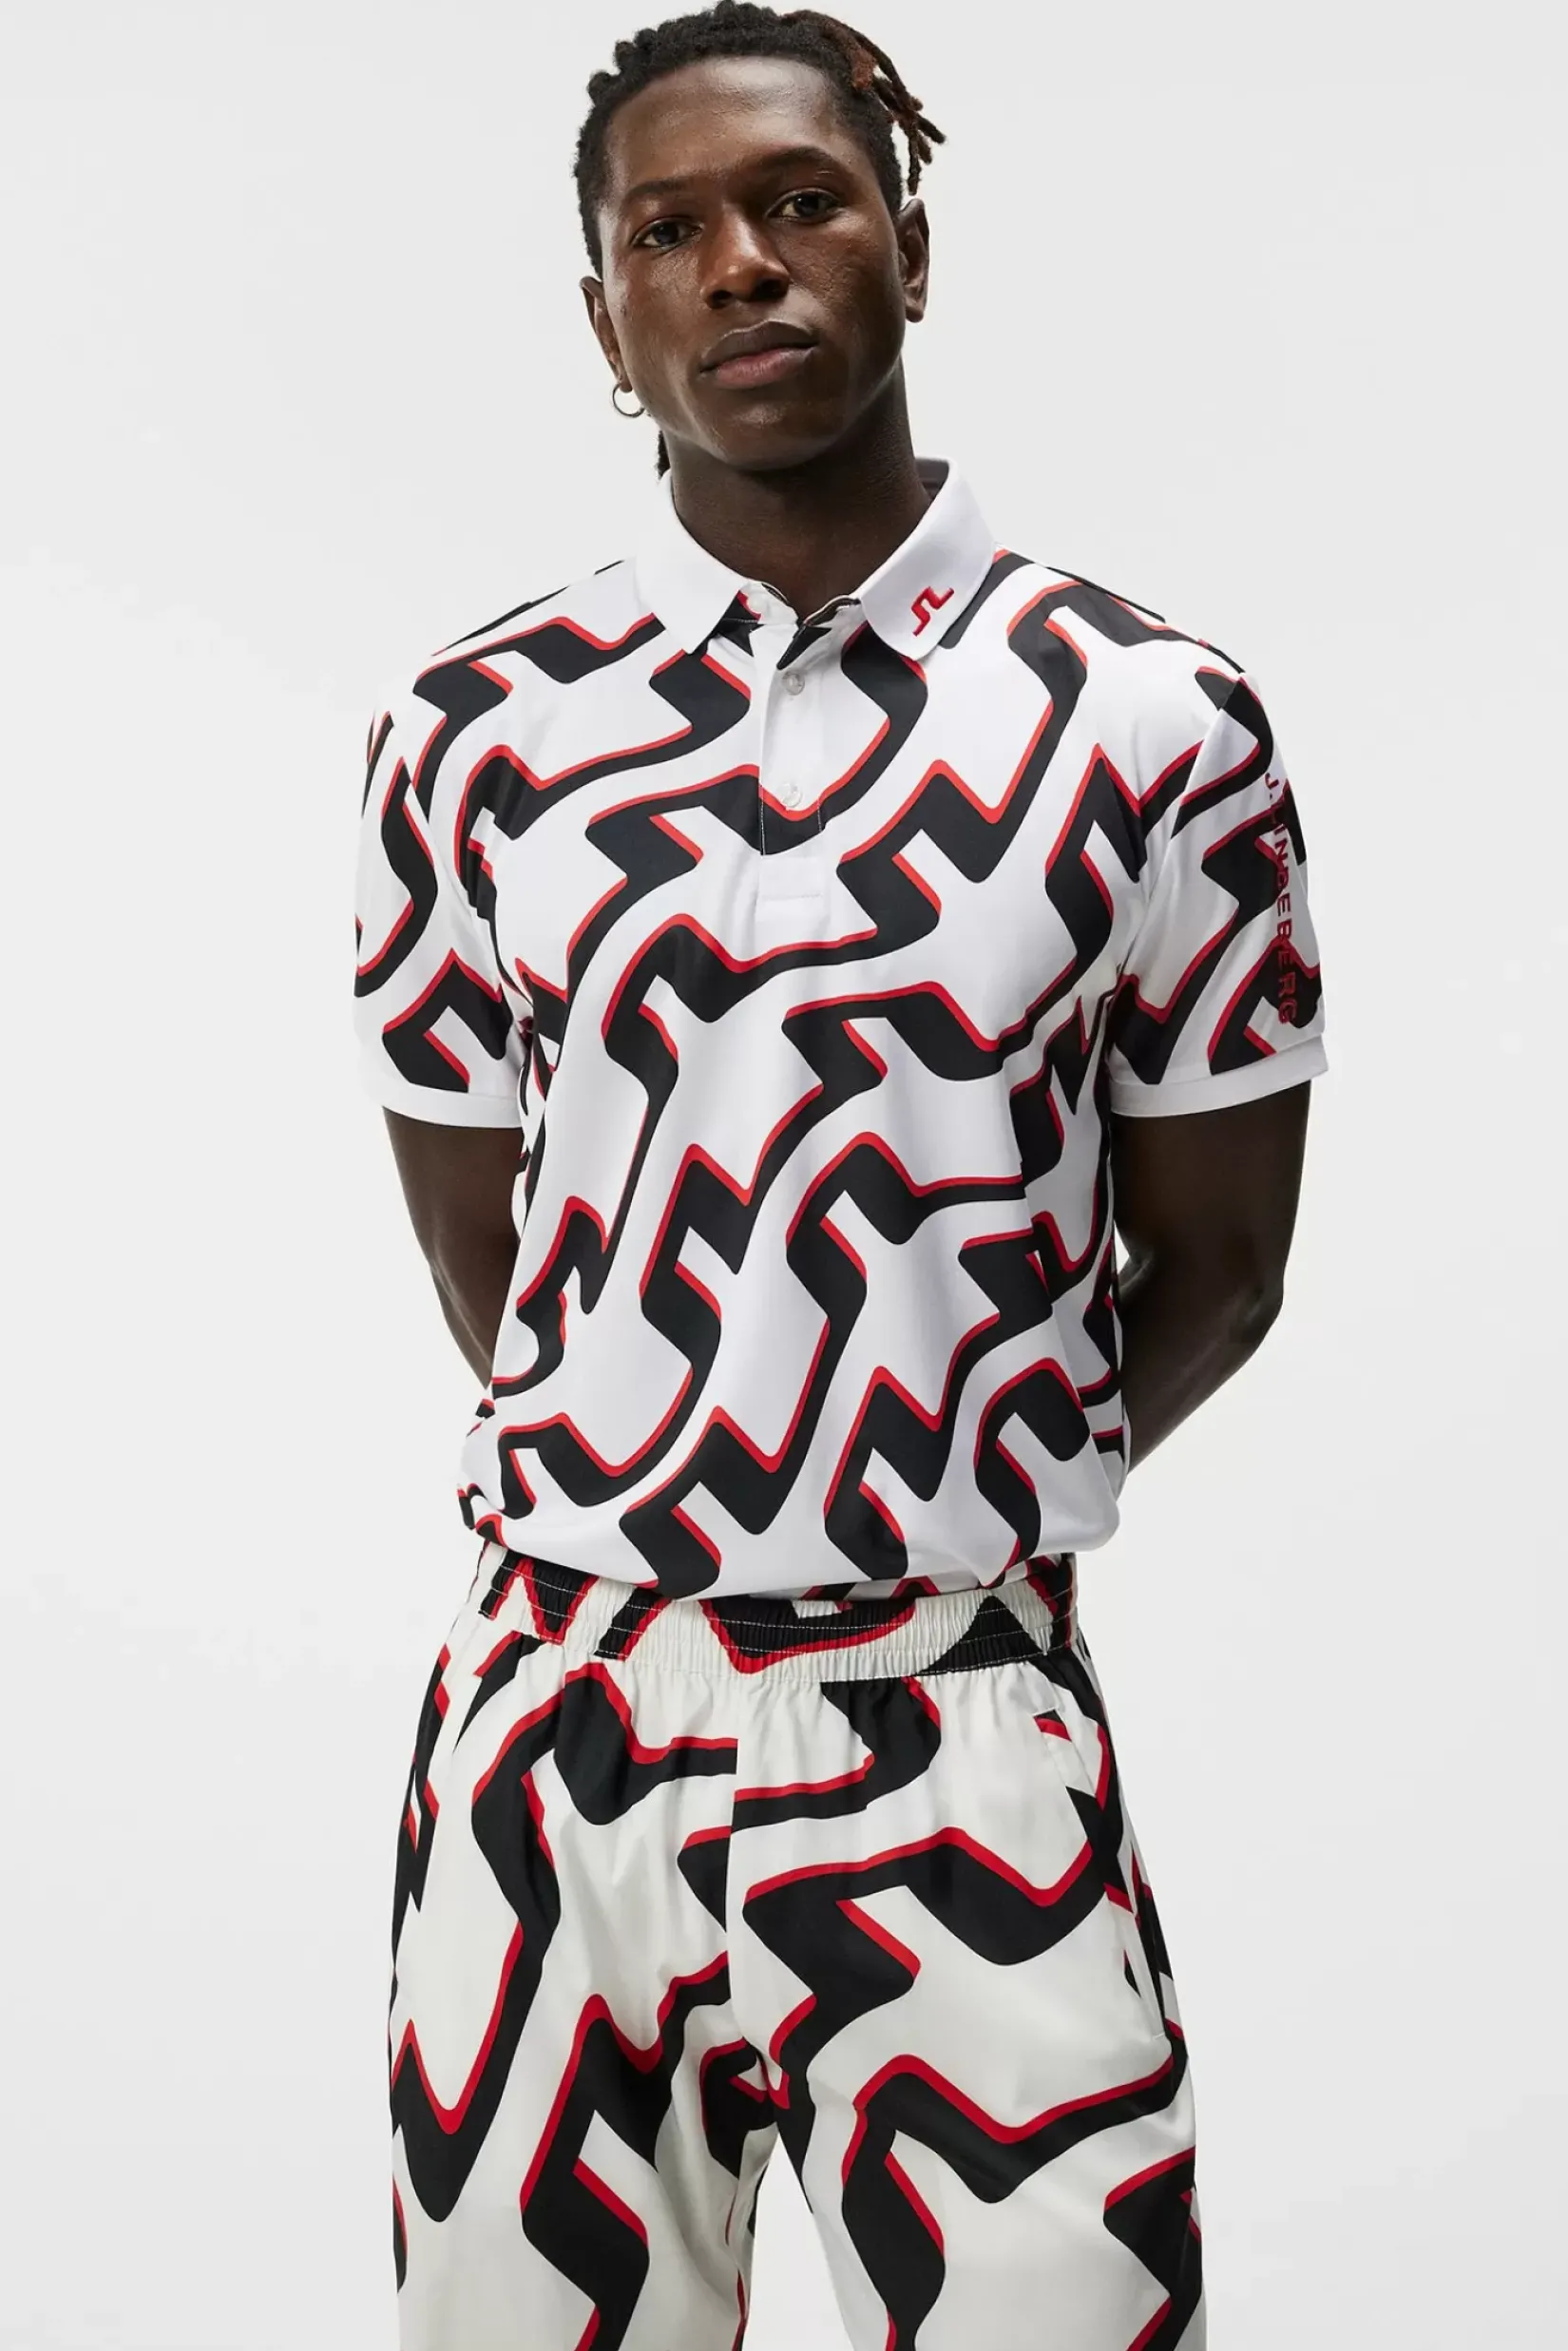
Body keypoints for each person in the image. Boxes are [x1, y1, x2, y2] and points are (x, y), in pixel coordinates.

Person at [351, 7, 1327, 2344]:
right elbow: (498, 1258)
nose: (741, 266)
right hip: (556, 1732)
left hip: (954, 1723)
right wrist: (673, 1471)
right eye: (665, 232)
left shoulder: (1149, 719)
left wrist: (929, 1483)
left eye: (802, 201)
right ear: (606, 317)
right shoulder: (476, 735)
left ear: (911, 242)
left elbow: (1219, 1264)